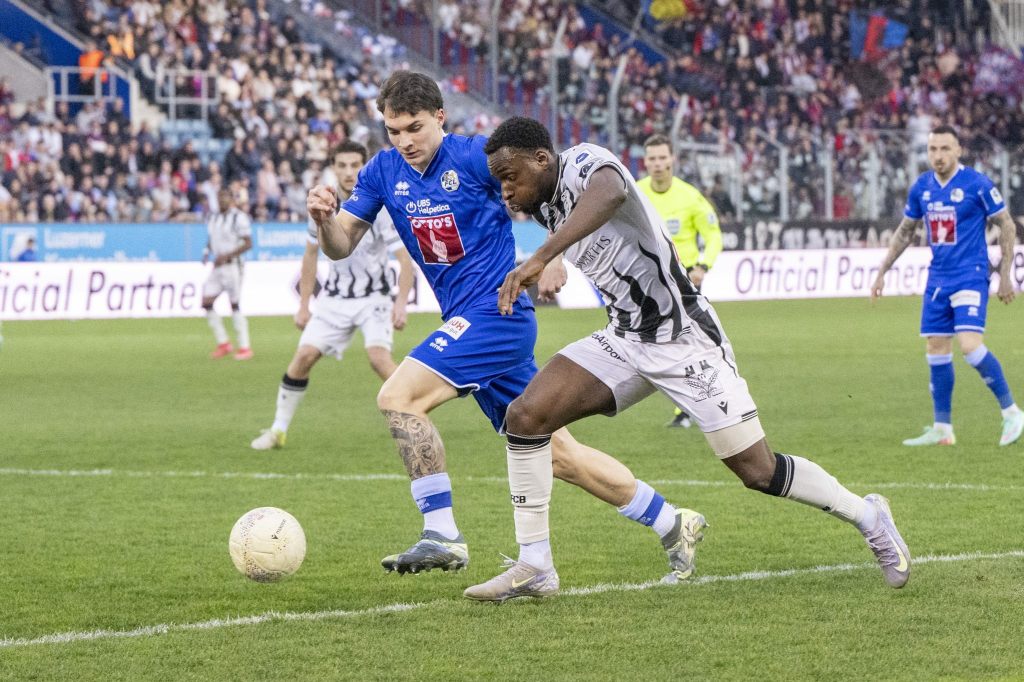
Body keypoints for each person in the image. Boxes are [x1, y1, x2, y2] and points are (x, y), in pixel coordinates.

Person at [464, 117, 911, 602]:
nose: (505, 190)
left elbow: (612, 192)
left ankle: (868, 515)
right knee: (525, 417)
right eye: (500, 181)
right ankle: (535, 566)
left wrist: (542, 256)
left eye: (511, 177)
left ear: (542, 159)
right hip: (625, 339)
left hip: (683, 338)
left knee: (757, 471)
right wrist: (549, 260)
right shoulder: (545, 205)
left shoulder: (587, 163)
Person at [307, 71, 704, 581]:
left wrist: (556, 253)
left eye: (414, 128)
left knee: (397, 397)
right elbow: (341, 245)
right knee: (560, 456)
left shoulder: (475, 156)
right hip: (471, 324)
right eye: (393, 130)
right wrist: (323, 220)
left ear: (440, 118)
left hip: (497, 314)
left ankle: (442, 534)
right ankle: (675, 522)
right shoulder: (383, 172)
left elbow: (543, 185)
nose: (404, 141)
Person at [251, 142, 415, 450]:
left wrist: (401, 303)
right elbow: (310, 256)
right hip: (335, 300)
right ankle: (278, 430)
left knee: (379, 360)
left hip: (374, 298)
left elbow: (405, 260)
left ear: (364, 166)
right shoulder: (322, 206)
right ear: (333, 167)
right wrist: (304, 305)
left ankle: (415, 416)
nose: (349, 171)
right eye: (342, 165)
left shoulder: (378, 206)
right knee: (302, 358)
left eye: (355, 164)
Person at [871, 125, 1023, 447]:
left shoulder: (976, 184)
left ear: (958, 151)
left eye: (944, 149)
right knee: (936, 349)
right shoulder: (922, 187)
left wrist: (1005, 273)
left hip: (971, 272)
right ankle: (943, 428)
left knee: (969, 345)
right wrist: (883, 270)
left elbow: (1006, 223)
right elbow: (905, 231)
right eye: (933, 150)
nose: (938, 156)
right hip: (938, 276)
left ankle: (1011, 411)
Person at [637, 134, 722, 429]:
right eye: (652, 159)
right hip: (646, 282)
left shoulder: (690, 196)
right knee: (648, 344)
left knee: (684, 342)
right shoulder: (636, 193)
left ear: (672, 159)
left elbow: (713, 235)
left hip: (684, 282)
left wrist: (703, 265)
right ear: (645, 162)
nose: (658, 164)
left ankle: (687, 409)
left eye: (663, 158)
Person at [202, 188, 254, 360]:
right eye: (220, 197)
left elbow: (248, 243)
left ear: (231, 199)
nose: (222, 200)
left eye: (225, 197)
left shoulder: (238, 217)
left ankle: (245, 347)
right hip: (218, 266)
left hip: (232, 266)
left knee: (234, 305)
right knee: (206, 301)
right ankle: (224, 343)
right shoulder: (213, 217)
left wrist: (227, 256)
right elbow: (212, 238)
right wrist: (206, 251)